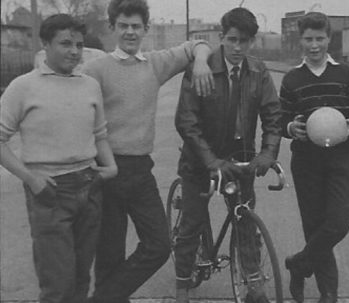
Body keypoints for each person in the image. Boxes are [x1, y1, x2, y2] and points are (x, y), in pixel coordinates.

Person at [81, 0, 214, 302]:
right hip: (105, 168)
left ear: (145, 29)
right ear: (112, 27)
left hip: (141, 171)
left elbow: (198, 44)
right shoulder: (95, 69)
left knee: (158, 245)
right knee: (109, 254)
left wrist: (202, 60)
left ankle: (102, 298)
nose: (130, 32)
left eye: (136, 26)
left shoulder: (155, 63)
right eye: (124, 26)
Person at [0, 14, 117, 303]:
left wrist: (111, 166)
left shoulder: (89, 85)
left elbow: (100, 134)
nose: (74, 52)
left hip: (89, 187)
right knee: (57, 286)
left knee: (80, 279)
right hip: (49, 191)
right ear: (46, 44)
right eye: (65, 44)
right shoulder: (22, 87)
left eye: (78, 45)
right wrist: (30, 178)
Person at [173, 7, 282, 303]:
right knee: (191, 224)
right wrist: (210, 161)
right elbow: (186, 122)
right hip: (200, 162)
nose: (237, 47)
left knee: (245, 222)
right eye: (232, 39)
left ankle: (253, 284)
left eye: (244, 41)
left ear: (252, 42)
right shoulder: (202, 68)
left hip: (239, 160)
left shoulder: (258, 71)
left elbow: (273, 115)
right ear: (221, 37)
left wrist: (267, 153)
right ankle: (183, 284)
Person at [279, 12, 349, 303]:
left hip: (342, 157)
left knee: (338, 223)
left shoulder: (345, 75)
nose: (314, 45)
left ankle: (299, 263)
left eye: (320, 38)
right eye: (308, 39)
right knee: (315, 225)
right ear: (301, 40)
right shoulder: (292, 79)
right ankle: (328, 294)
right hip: (307, 162)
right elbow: (279, 118)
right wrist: (290, 128)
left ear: (329, 39)